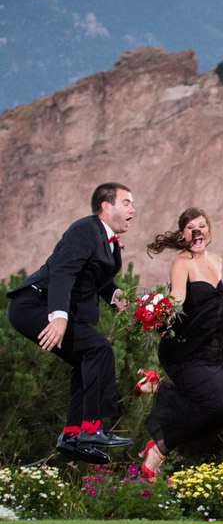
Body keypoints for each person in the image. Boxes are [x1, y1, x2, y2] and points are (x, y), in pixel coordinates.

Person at [7, 182, 137, 464]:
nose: (132, 210)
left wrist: (115, 295)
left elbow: (95, 277)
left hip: (42, 306)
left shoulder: (105, 240)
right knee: (98, 348)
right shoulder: (85, 229)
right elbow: (63, 272)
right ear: (106, 206)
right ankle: (91, 428)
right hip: (33, 305)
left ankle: (72, 435)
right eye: (126, 203)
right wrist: (58, 317)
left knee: (86, 357)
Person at [136, 209, 223, 480]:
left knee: (222, 409)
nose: (198, 231)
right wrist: (159, 312)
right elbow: (177, 297)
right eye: (191, 228)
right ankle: (158, 389)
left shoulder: (217, 261)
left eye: (202, 226)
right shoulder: (183, 262)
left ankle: (159, 448)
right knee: (211, 405)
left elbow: (217, 307)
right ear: (184, 235)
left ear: (209, 231)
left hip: (212, 348)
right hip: (184, 348)